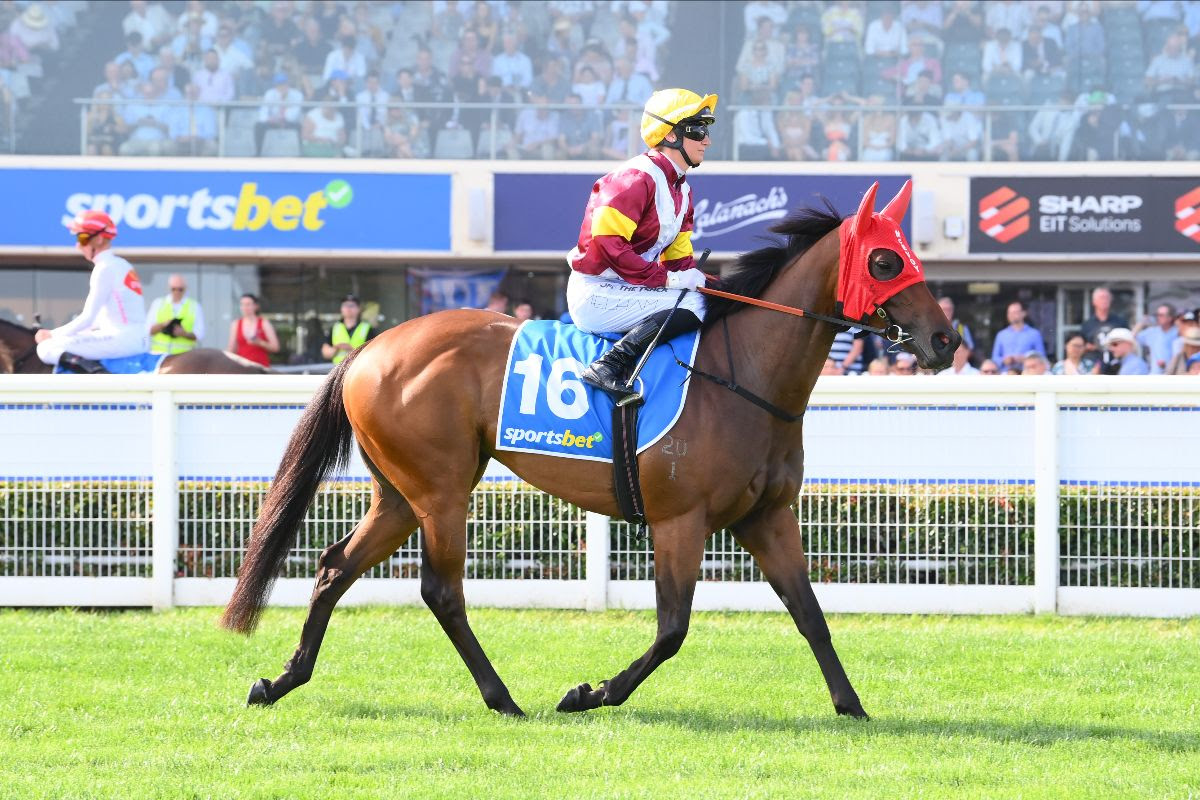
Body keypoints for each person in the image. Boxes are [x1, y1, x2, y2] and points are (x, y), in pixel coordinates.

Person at [567, 88, 716, 399]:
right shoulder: (635, 177)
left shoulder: (683, 191)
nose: (707, 140)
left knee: (708, 298)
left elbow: (678, 261)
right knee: (694, 303)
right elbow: (608, 246)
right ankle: (608, 365)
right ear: (671, 135)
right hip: (595, 292)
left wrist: (724, 287)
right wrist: (670, 280)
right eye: (698, 130)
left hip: (630, 288)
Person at [34, 211, 148, 373]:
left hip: (122, 339)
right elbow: (99, 319)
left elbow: (88, 318)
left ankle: (99, 375)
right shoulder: (122, 264)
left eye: (82, 238)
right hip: (138, 338)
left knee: (46, 347)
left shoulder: (104, 268)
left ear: (99, 239)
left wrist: (53, 334)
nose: (78, 245)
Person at [147, 273, 205, 355]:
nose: (177, 292)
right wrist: (163, 325)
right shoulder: (158, 303)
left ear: (185, 288)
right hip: (160, 356)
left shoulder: (195, 306)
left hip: (184, 357)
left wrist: (184, 334)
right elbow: (148, 330)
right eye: (173, 289)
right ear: (169, 288)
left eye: (180, 289)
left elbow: (200, 334)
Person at [321, 294, 376, 365]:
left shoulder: (367, 328)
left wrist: (351, 349)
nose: (348, 308)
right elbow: (325, 353)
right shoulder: (335, 328)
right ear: (341, 309)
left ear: (359, 309)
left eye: (351, 306)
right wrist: (336, 348)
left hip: (359, 368)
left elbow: (373, 353)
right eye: (345, 305)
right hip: (338, 369)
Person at [992, 300, 1046, 373]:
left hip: (1028, 374)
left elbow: (1042, 357)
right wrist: (1004, 360)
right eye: (1009, 313)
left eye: (1015, 312)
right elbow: (994, 358)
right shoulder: (1001, 335)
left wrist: (1026, 358)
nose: (1011, 315)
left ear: (1024, 313)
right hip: (1006, 374)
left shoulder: (1034, 334)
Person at [226, 293, 278, 367]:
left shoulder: (264, 323)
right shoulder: (236, 324)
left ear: (256, 306)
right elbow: (231, 348)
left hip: (260, 367)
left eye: (248, 304)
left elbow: (275, 348)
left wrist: (260, 342)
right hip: (242, 367)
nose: (245, 307)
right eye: (242, 304)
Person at [1080, 287, 1129, 354]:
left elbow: (1127, 343)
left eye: (1107, 298)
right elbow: (1082, 346)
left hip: (1116, 359)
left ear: (1110, 301)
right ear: (1094, 301)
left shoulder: (1120, 322)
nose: (1104, 300)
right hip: (1094, 359)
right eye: (1102, 298)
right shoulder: (1087, 325)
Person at [1134, 302, 1178, 374]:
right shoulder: (1152, 332)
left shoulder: (1177, 332)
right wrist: (1141, 322)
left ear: (1170, 318)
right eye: (1157, 315)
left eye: (1161, 315)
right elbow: (1132, 337)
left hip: (1172, 375)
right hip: (1154, 375)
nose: (1158, 317)